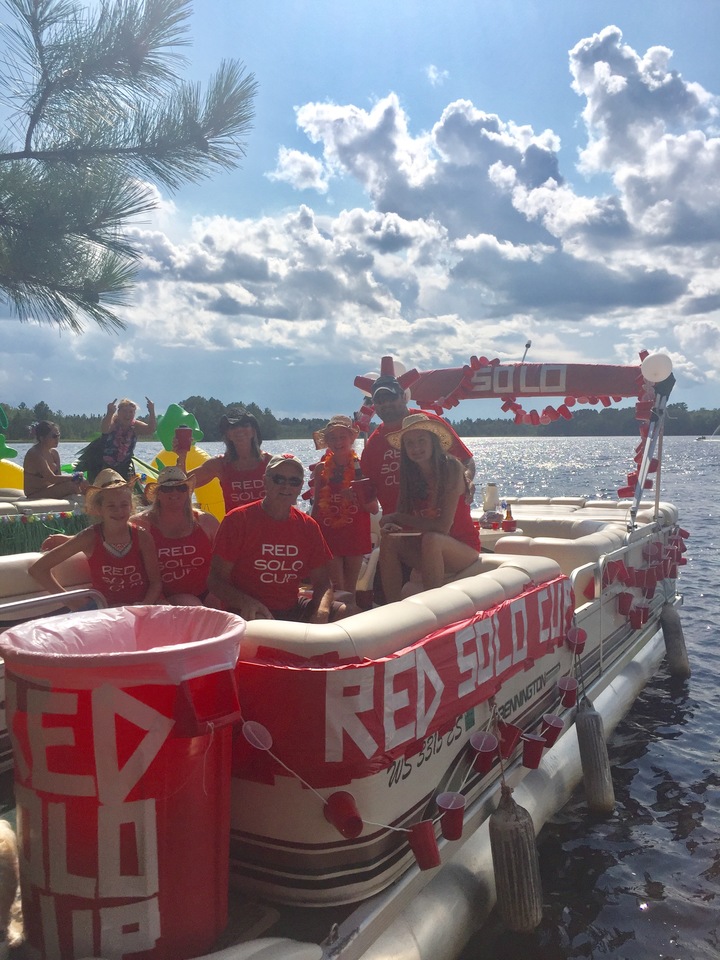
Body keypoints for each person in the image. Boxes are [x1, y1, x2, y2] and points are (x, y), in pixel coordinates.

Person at [208, 453, 345, 622]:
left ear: (300, 486)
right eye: (279, 479)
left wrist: (321, 611)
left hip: (291, 606)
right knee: (260, 618)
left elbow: (323, 583)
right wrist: (246, 602)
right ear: (265, 481)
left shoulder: (308, 526)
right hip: (249, 610)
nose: (286, 486)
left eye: (293, 481)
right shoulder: (238, 520)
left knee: (346, 612)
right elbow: (215, 580)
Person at [378, 414, 481, 603]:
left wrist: (398, 517)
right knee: (388, 540)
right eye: (409, 443)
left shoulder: (451, 468)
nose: (416, 448)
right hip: (427, 548)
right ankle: (391, 608)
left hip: (463, 548)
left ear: (433, 442)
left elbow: (442, 527)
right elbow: (402, 518)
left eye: (421, 440)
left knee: (433, 539)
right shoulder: (409, 474)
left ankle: (433, 611)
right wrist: (391, 524)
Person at [30, 468, 162, 609]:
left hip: (138, 610)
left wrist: (143, 606)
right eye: (111, 506)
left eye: (124, 505)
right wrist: (74, 604)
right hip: (103, 612)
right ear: (99, 509)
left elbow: (156, 583)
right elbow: (37, 570)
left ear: (131, 506)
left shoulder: (143, 537)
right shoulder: (89, 537)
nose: (118, 511)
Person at [360, 374, 476, 513]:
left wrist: (467, 479)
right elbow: (367, 488)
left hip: (444, 524)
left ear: (403, 397)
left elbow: (466, 459)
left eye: (391, 397)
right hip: (398, 527)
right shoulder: (373, 444)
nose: (386, 404)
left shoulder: (430, 423)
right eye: (379, 400)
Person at [310, 415, 378, 595]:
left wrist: (358, 494)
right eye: (332, 437)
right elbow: (316, 506)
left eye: (342, 436)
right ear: (327, 441)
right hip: (329, 533)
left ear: (352, 438)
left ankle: (351, 616)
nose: (338, 441)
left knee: (351, 590)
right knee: (337, 588)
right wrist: (308, 535)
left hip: (356, 532)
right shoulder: (320, 469)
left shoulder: (363, 468)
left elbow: (374, 509)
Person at [132, 466, 219, 605]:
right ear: (158, 494)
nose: (175, 493)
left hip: (207, 592)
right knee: (190, 603)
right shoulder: (140, 523)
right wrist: (158, 599)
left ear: (188, 492)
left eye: (181, 488)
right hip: (163, 597)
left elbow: (224, 562)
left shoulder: (207, 521)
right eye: (167, 489)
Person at [178, 408, 271, 512]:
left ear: (253, 431)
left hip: (267, 526)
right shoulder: (219, 464)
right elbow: (182, 485)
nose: (239, 430)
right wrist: (182, 455)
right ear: (228, 435)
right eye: (233, 427)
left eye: (244, 425)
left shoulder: (271, 463)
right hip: (235, 526)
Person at [23, 421, 88, 499]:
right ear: (42, 438)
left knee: (83, 481)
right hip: (35, 494)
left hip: (50, 489)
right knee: (71, 485)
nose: (57, 439)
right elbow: (52, 478)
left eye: (58, 435)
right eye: (54, 436)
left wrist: (79, 479)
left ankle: (90, 504)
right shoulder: (35, 454)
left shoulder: (54, 453)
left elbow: (59, 477)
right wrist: (74, 476)